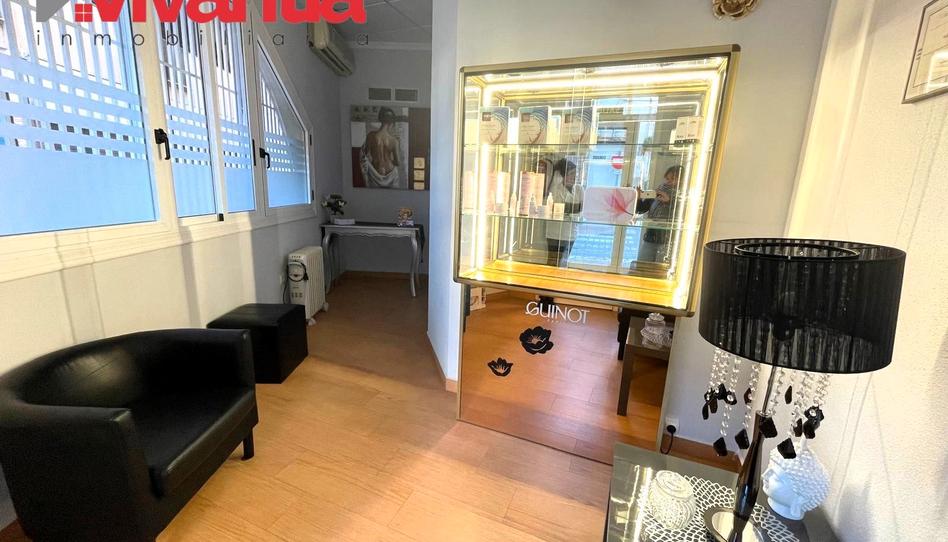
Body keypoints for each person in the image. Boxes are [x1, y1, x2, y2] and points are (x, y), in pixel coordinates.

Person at [634, 165, 683, 265]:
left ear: (682, 180)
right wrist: (638, 198)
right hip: (650, 238)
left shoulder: (684, 197)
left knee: (660, 270)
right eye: (667, 178)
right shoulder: (658, 191)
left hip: (668, 241)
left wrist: (670, 202)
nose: (668, 182)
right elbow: (640, 210)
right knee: (641, 266)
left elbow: (683, 215)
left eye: (673, 179)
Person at [544, 158, 584, 267]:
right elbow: (553, 209)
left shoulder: (579, 189)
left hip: (570, 233)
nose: (574, 177)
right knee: (552, 262)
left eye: (575, 174)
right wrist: (572, 210)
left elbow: (582, 212)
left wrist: (567, 211)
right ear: (562, 175)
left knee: (564, 262)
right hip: (554, 233)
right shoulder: (554, 189)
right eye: (571, 174)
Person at [360, 107, 403, 189]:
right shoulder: (394, 140)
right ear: (392, 122)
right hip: (391, 174)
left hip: (375, 173)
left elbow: (366, 156)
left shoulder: (371, 136)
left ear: (380, 119)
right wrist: (389, 159)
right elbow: (397, 162)